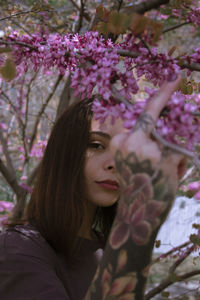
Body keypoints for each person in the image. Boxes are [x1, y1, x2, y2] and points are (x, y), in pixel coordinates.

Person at [0, 76, 186, 300]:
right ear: (65, 153)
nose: (116, 163)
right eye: (97, 145)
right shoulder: (17, 248)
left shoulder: (105, 248)